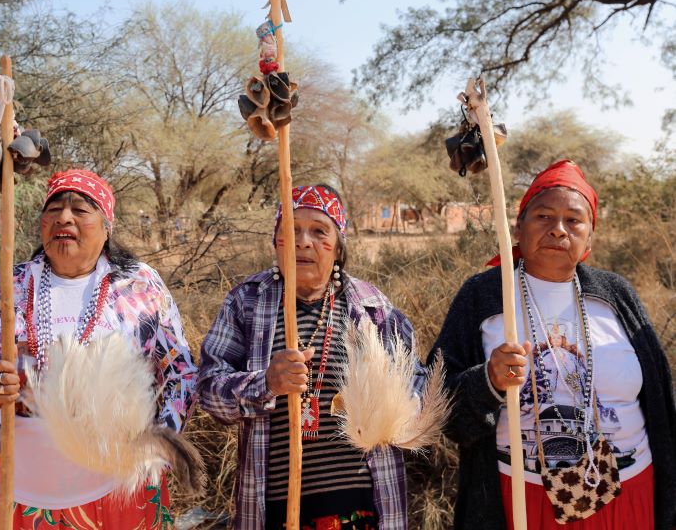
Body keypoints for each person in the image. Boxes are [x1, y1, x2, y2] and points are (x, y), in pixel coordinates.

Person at [430, 160, 676, 529]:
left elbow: (661, 404)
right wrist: (488, 383)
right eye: (543, 216)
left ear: (590, 237)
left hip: (626, 492)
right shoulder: (483, 297)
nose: (558, 230)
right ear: (519, 226)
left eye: (574, 221)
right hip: (520, 501)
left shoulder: (617, 295)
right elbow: (438, 405)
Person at [0, 168, 197, 529]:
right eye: (53, 209)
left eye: (80, 209)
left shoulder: (139, 284)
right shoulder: (9, 286)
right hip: (31, 491)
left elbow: (182, 373)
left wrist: (158, 443)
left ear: (107, 224)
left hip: (124, 486)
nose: (64, 217)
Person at [199, 184, 426, 530]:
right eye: (291, 231)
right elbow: (208, 390)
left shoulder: (372, 308)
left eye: (319, 231)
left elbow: (417, 383)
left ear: (337, 247)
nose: (303, 242)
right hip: (275, 510)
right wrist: (266, 384)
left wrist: (392, 406)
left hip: (362, 507)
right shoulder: (245, 302)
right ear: (276, 243)